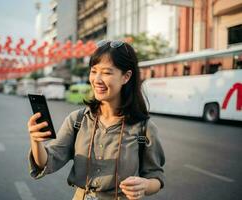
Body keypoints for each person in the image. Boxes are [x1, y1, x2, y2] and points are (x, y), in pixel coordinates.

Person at [27, 40, 165, 200]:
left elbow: (156, 176)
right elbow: (47, 161)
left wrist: (146, 185)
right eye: (94, 71)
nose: (97, 79)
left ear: (126, 77)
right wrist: (35, 140)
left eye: (106, 73)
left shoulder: (145, 128)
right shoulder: (77, 120)